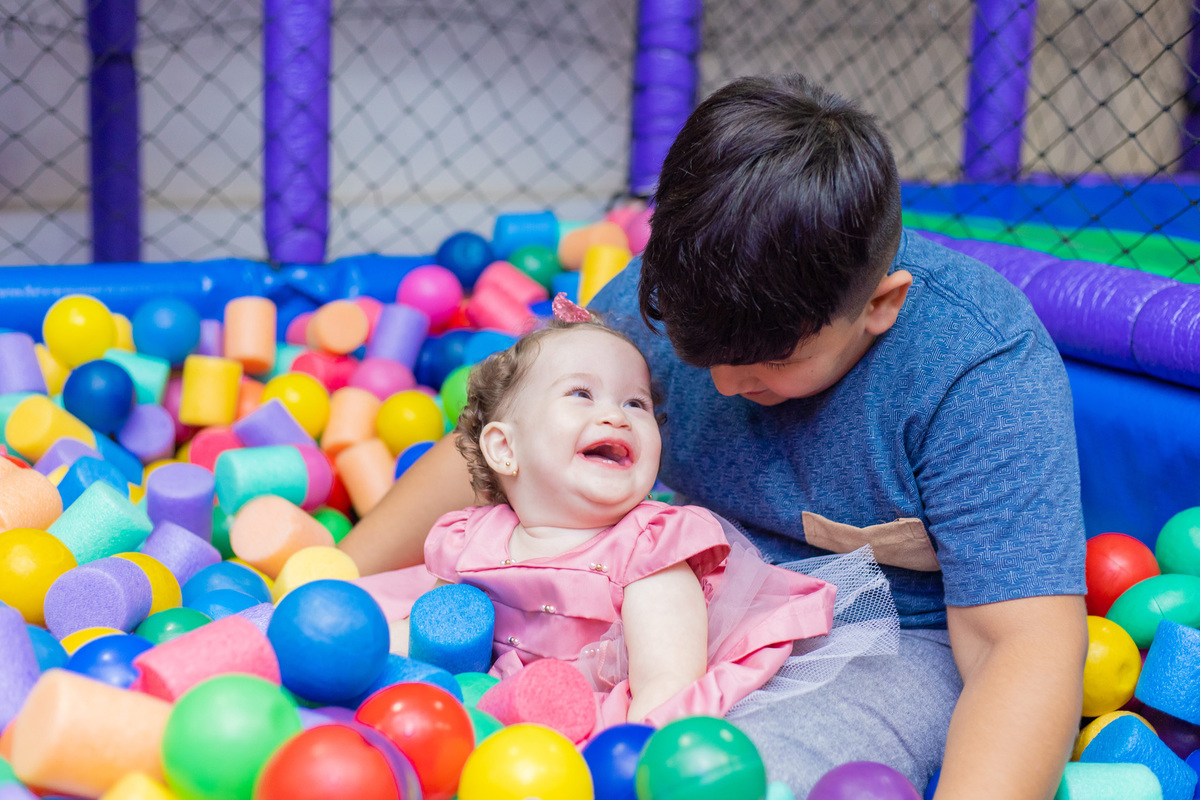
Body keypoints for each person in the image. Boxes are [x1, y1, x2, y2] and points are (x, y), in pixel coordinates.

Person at [342, 73, 1087, 797]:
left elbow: (1018, 644)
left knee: (725, 773)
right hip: (637, 580)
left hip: (873, 636)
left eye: (773, 358)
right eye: (699, 352)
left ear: (880, 306)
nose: (726, 384)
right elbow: (508, 444)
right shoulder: (678, 290)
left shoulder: (976, 367)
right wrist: (336, 577)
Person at [361, 296, 839, 731]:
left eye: (636, 403)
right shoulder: (470, 538)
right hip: (488, 704)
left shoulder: (650, 548)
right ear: (505, 448)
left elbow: (668, 684)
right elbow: (429, 634)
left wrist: (630, 752)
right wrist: (355, 656)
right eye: (581, 395)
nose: (616, 416)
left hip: (602, 717)